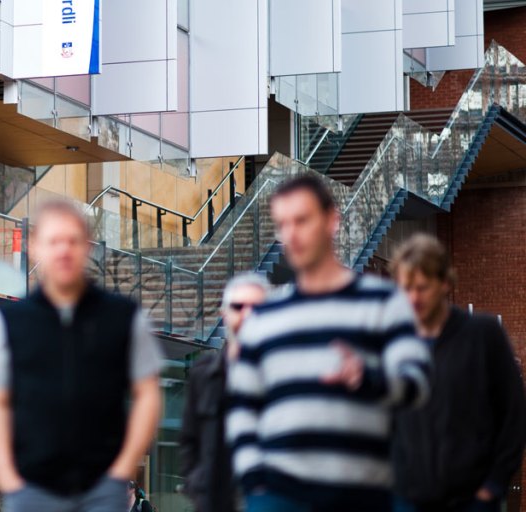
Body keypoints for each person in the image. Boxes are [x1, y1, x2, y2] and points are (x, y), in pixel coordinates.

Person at [225, 175, 432, 512]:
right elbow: (242, 407)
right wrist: (254, 482)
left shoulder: (384, 302)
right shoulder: (262, 318)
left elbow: (417, 382)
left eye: (301, 221)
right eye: (282, 224)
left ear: (332, 220)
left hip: (361, 494)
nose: (291, 235)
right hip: (279, 496)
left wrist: (368, 378)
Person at [0, 199, 164, 512]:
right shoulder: (5, 322)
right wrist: (8, 478)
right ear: (34, 247)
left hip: (102, 488)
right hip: (32, 489)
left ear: (88, 246)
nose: (63, 250)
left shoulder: (124, 317)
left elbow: (148, 394)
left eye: (72, 241)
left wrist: (122, 468)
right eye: (53, 241)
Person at [390, 234, 526, 512]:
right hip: (406, 499)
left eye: (422, 288)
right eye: (406, 288)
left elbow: (514, 413)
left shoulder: (483, 335)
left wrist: (493, 486)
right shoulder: (394, 342)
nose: (413, 298)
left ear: (445, 283)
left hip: (470, 500)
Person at [180, 273, 270, 512]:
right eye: (238, 307)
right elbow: (189, 440)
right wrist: (198, 485)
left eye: (257, 307)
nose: (248, 314)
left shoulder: (287, 372)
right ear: (224, 314)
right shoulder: (204, 373)